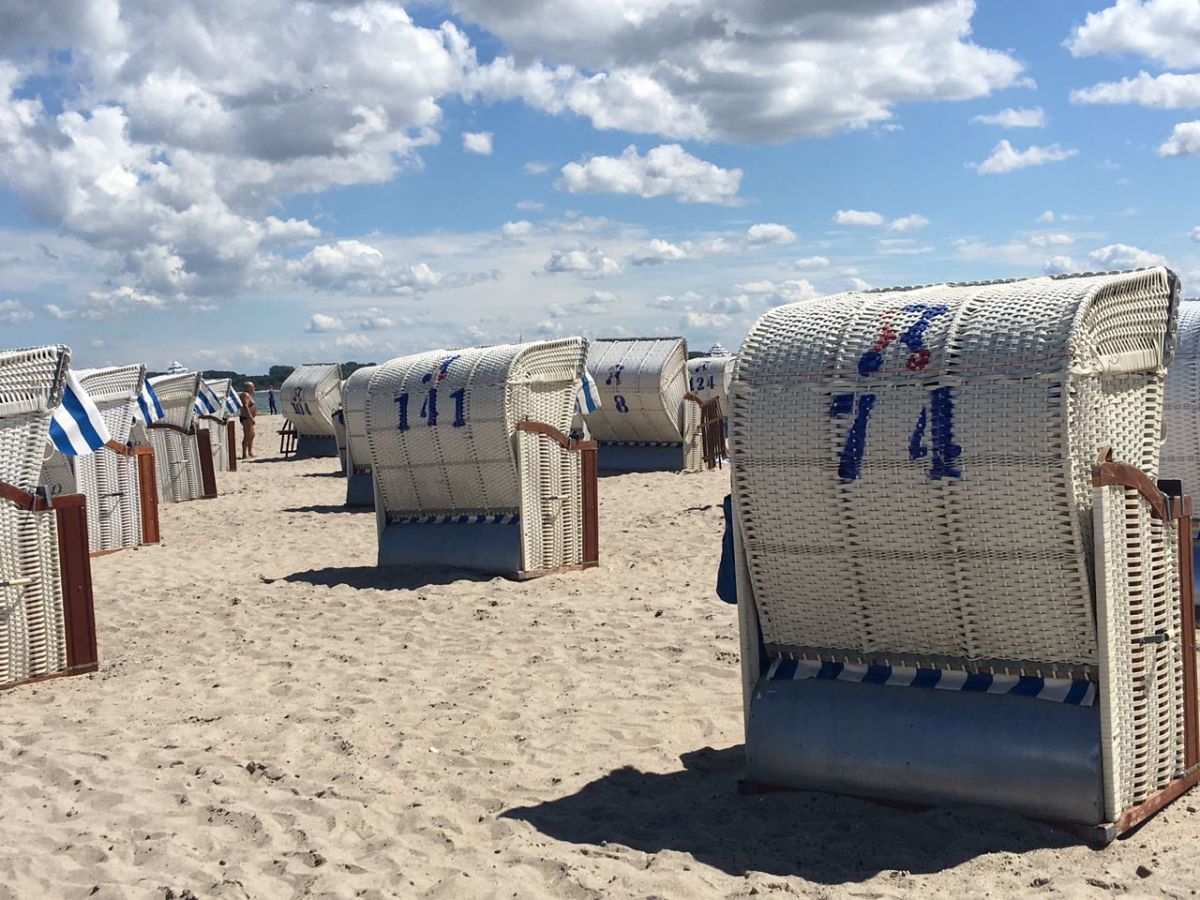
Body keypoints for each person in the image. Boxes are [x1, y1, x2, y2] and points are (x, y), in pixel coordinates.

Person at [240, 381, 258, 459]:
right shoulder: (245, 395)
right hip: (246, 418)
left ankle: (250, 452)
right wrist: (251, 417)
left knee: (252, 435)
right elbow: (246, 406)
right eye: (252, 387)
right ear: (248, 388)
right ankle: (244, 454)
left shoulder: (249, 395)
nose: (254, 388)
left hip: (248, 418)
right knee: (247, 436)